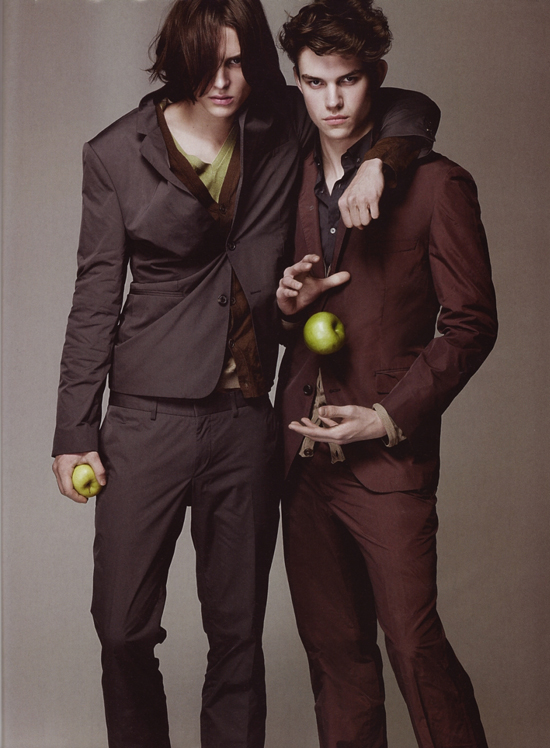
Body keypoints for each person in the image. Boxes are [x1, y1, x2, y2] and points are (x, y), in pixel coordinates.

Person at [51, 0, 440, 746]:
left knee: (237, 635)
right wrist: (74, 431)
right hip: (146, 419)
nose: (224, 81)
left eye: (237, 61)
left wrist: (378, 166)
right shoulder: (114, 154)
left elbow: (411, 108)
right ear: (178, 60)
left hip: (245, 422)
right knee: (123, 628)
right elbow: (94, 298)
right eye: (207, 63)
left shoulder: (282, 120)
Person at [276, 1, 498, 747]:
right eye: (315, 83)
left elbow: (471, 325)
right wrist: (288, 306)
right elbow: (272, 314)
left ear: (376, 77)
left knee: (415, 648)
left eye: (348, 80)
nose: (332, 101)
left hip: (388, 462)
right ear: (297, 82)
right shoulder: (289, 175)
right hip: (301, 459)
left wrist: (388, 416)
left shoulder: (436, 184)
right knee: (336, 659)